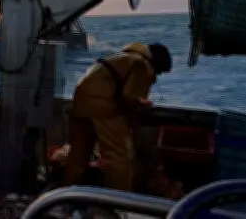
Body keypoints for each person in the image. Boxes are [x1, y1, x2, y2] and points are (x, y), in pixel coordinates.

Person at [63, 42, 172, 191]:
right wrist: (133, 119)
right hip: (102, 102)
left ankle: (68, 192)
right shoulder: (142, 65)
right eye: (158, 72)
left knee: (78, 155)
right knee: (121, 156)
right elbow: (129, 98)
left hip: (81, 98)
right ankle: (119, 199)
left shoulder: (123, 57)